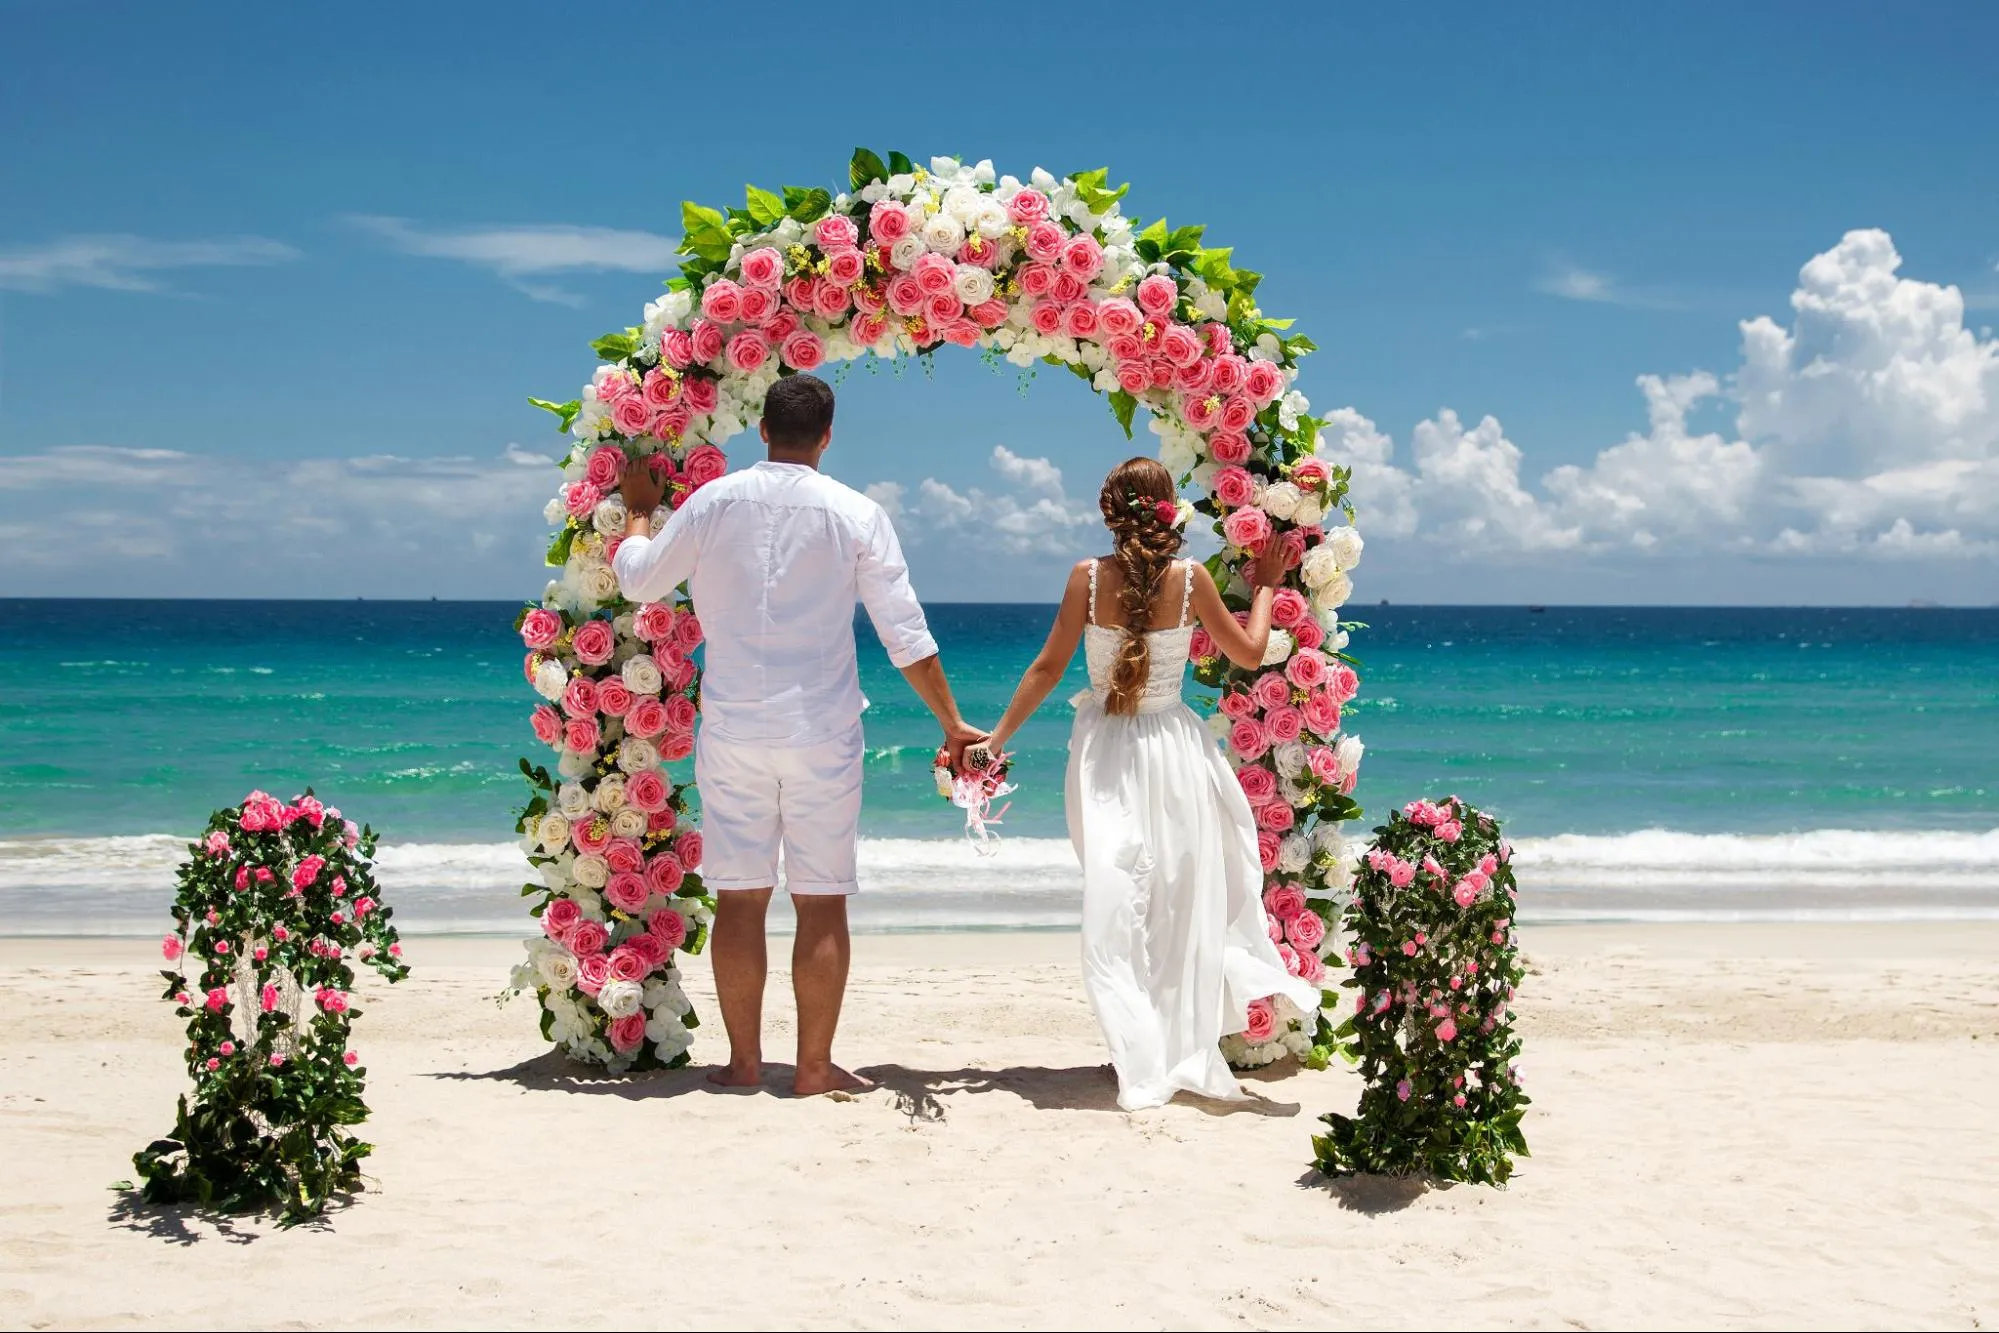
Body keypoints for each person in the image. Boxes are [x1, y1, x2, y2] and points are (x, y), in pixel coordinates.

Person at [611, 373, 985, 1096]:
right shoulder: (856, 513)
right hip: (821, 728)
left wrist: (636, 515)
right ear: (827, 434)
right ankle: (812, 1066)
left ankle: (744, 1063)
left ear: (761, 432)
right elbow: (904, 633)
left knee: (741, 896)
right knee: (820, 897)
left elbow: (640, 581)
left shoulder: (712, 502)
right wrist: (949, 719)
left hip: (733, 726)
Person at [981, 457, 1319, 1111]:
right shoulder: (1191, 579)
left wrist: (995, 741)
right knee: (1173, 899)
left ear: (1111, 511)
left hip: (1104, 752)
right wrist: (1267, 585)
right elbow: (1250, 654)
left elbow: (1047, 668)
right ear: (1170, 510)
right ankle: (1157, 1045)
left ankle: (1144, 1047)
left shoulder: (1085, 577)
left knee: (1117, 899)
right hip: (1173, 750)